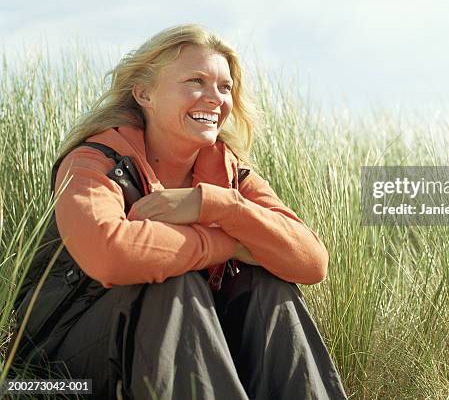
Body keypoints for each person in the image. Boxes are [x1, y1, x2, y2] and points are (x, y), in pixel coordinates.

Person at [12, 24, 348, 400]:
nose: (215, 99)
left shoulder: (229, 172)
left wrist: (216, 203)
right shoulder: (92, 162)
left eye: (224, 87)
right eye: (196, 81)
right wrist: (227, 244)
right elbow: (110, 254)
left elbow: (311, 262)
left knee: (268, 287)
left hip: (181, 351)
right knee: (174, 283)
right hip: (59, 366)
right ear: (144, 93)